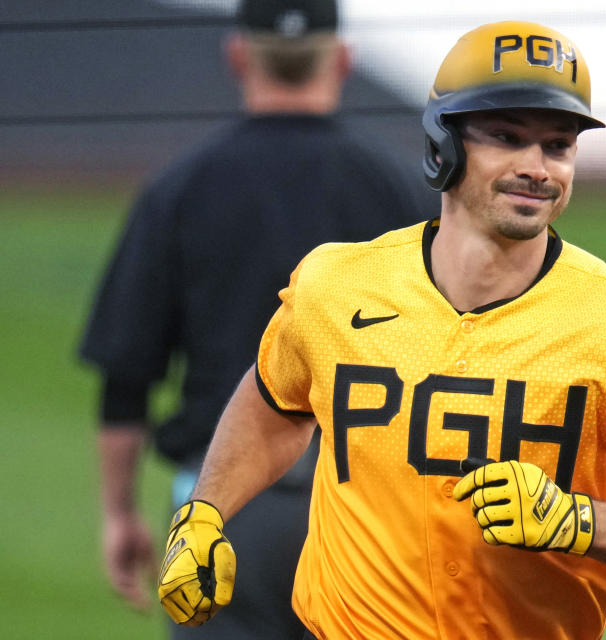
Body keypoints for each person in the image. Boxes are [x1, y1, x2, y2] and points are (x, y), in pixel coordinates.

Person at [156, 20, 606, 639]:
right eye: (506, 137)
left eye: (558, 145)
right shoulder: (335, 286)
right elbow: (274, 404)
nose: (537, 167)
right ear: (441, 143)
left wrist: (577, 521)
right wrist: (205, 513)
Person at [80, 1, 433, 638]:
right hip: (369, 515)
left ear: (238, 55)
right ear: (344, 59)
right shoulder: (403, 189)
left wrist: (120, 512)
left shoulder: (179, 188)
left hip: (222, 507)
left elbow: (125, 379)